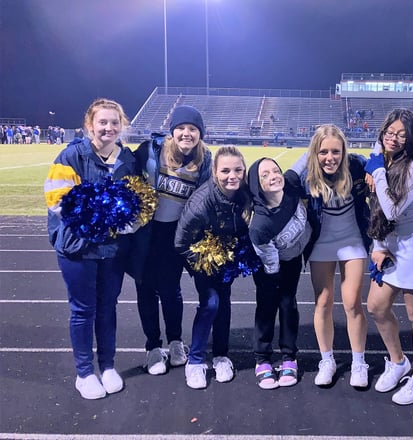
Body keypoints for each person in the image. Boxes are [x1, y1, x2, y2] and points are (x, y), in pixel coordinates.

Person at [44, 98, 137, 399]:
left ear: (122, 126)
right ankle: (84, 373)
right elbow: (58, 201)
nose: (108, 128)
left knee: (108, 306)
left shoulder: (128, 160)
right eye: (102, 122)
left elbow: (138, 201)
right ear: (89, 125)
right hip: (77, 247)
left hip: (111, 249)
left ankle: (108, 366)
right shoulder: (71, 155)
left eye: (114, 122)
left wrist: (128, 223)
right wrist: (101, 219)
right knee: (83, 309)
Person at [364, 108, 413, 405]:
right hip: (391, 242)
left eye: (401, 133)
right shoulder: (385, 156)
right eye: (389, 131)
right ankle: (398, 362)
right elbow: (377, 211)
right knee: (376, 306)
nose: (394, 138)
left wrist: (377, 173)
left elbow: (392, 210)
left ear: (412, 137)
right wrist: (377, 246)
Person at [131, 105, 212, 376]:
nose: (187, 133)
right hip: (145, 233)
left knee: (170, 290)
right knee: (145, 289)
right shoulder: (150, 151)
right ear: (172, 130)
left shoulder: (205, 160)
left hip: (175, 235)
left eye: (193, 129)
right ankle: (153, 347)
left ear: (200, 134)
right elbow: (125, 177)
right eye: (182, 128)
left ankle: (176, 342)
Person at [175, 146, 255, 389]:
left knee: (225, 301)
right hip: (203, 259)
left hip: (228, 259)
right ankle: (196, 360)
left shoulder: (244, 194)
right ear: (214, 172)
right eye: (225, 170)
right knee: (210, 303)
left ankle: (221, 355)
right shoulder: (201, 202)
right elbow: (180, 242)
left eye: (238, 170)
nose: (233, 175)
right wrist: (205, 262)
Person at [299, 124, 371, 388]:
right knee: (324, 302)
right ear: (315, 153)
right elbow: (284, 180)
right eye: (323, 152)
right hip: (322, 243)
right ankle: (326, 359)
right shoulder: (306, 174)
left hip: (352, 240)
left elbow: (378, 161)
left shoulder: (356, 166)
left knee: (352, 302)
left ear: (344, 152)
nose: (330, 157)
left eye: (336, 152)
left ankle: (358, 362)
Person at [247, 157, 312, 389]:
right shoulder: (260, 224)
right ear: (257, 184)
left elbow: (303, 160)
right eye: (265, 175)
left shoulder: (292, 184)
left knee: (288, 305)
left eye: (276, 170)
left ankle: (289, 356)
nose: (273, 176)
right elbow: (271, 262)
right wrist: (274, 281)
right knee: (268, 306)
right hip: (269, 268)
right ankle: (262, 358)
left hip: (292, 259)